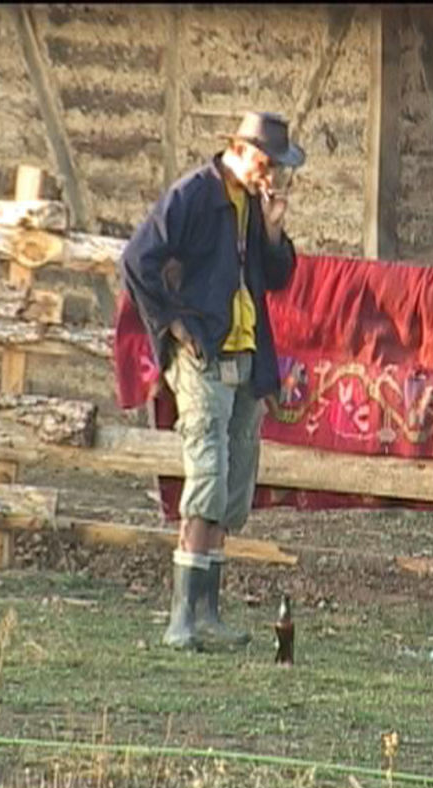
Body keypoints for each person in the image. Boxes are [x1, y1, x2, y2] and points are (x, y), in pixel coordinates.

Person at [121, 111, 305, 650]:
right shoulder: (194, 194)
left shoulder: (252, 202)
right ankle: (184, 617)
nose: (270, 176)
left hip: (246, 352)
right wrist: (173, 322)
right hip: (201, 351)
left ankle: (209, 613)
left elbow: (275, 278)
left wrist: (273, 230)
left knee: (231, 477)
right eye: (266, 163)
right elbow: (137, 260)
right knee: (206, 473)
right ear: (241, 149)